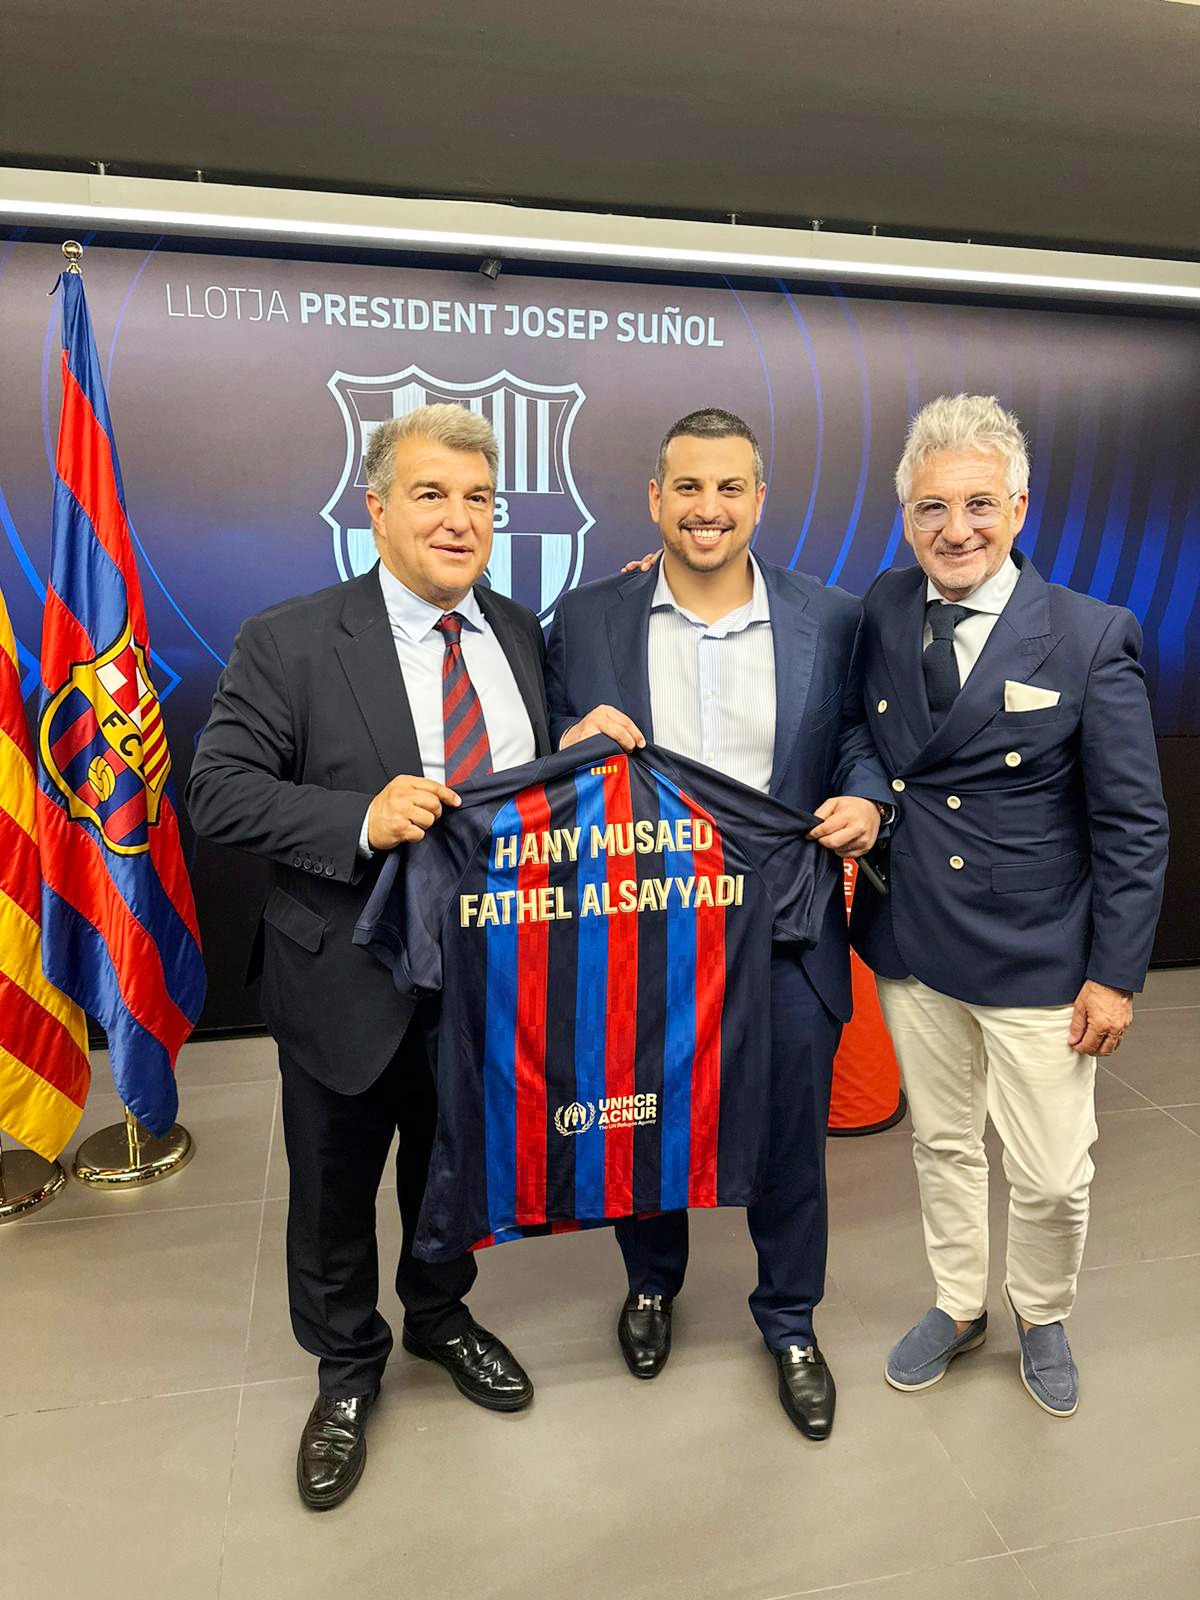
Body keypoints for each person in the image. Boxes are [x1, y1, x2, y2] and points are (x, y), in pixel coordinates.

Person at [187, 405, 550, 1509]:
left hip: (486, 977)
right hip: (347, 976)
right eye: (432, 495)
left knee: (452, 1168)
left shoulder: (521, 632)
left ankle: (439, 1313)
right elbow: (218, 792)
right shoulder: (291, 638)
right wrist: (358, 817)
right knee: (335, 1191)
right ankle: (346, 1368)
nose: (458, 520)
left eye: (479, 500)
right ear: (378, 508)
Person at [544, 407, 891, 1439]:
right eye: (688, 487)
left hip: (787, 925)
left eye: (729, 487)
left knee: (791, 1141)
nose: (709, 508)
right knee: (642, 1119)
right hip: (639, 928)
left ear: (759, 499)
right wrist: (569, 737)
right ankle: (651, 1284)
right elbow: (546, 742)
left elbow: (858, 739)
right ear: (655, 499)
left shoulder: (832, 617)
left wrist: (867, 797)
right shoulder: (583, 618)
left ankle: (790, 1320)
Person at [851, 393, 1169, 1418]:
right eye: (932, 508)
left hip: (1039, 950)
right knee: (942, 1142)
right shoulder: (885, 606)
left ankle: (1040, 1311)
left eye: (979, 504)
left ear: (1019, 509)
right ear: (907, 516)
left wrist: (1114, 975)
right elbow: (859, 729)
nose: (956, 530)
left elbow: (1133, 823)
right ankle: (959, 1304)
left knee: (1052, 1173)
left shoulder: (1089, 635)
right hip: (912, 939)